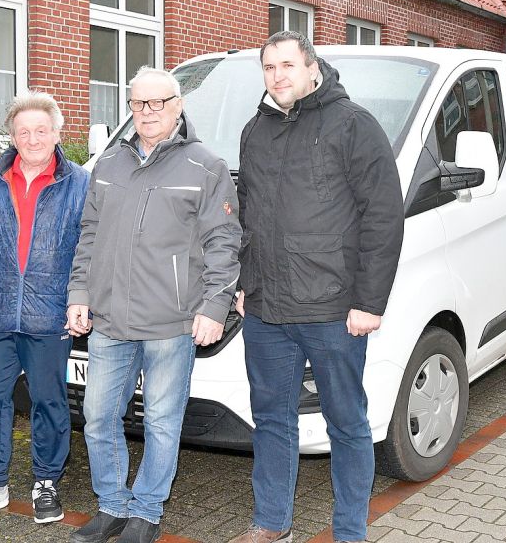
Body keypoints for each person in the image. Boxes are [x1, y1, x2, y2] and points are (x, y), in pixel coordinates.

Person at [230, 32, 405, 543]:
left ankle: (350, 531)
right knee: (271, 420)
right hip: (266, 310)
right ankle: (271, 525)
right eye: (269, 67)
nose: (278, 75)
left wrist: (369, 302)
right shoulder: (254, 131)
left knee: (347, 423)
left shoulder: (354, 124)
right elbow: (247, 214)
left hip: (333, 309)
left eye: (287, 65)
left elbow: (383, 217)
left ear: (312, 67)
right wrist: (244, 283)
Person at [66, 66, 242, 543]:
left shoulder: (206, 166)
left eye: (156, 102)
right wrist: (79, 294)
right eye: (137, 104)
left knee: (163, 423)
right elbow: (88, 237)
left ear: (178, 105)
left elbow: (224, 243)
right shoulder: (108, 163)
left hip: (171, 322)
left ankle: (145, 514)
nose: (146, 112)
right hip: (109, 321)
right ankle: (112, 507)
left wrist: (214, 305)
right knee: (99, 418)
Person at [0, 89, 89, 524]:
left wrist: (83, 301)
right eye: (23, 131)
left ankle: (46, 481)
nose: (32, 138)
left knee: (49, 401)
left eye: (41, 130)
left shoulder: (79, 183)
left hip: (51, 315)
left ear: (57, 132)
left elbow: (90, 250)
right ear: (12, 135)